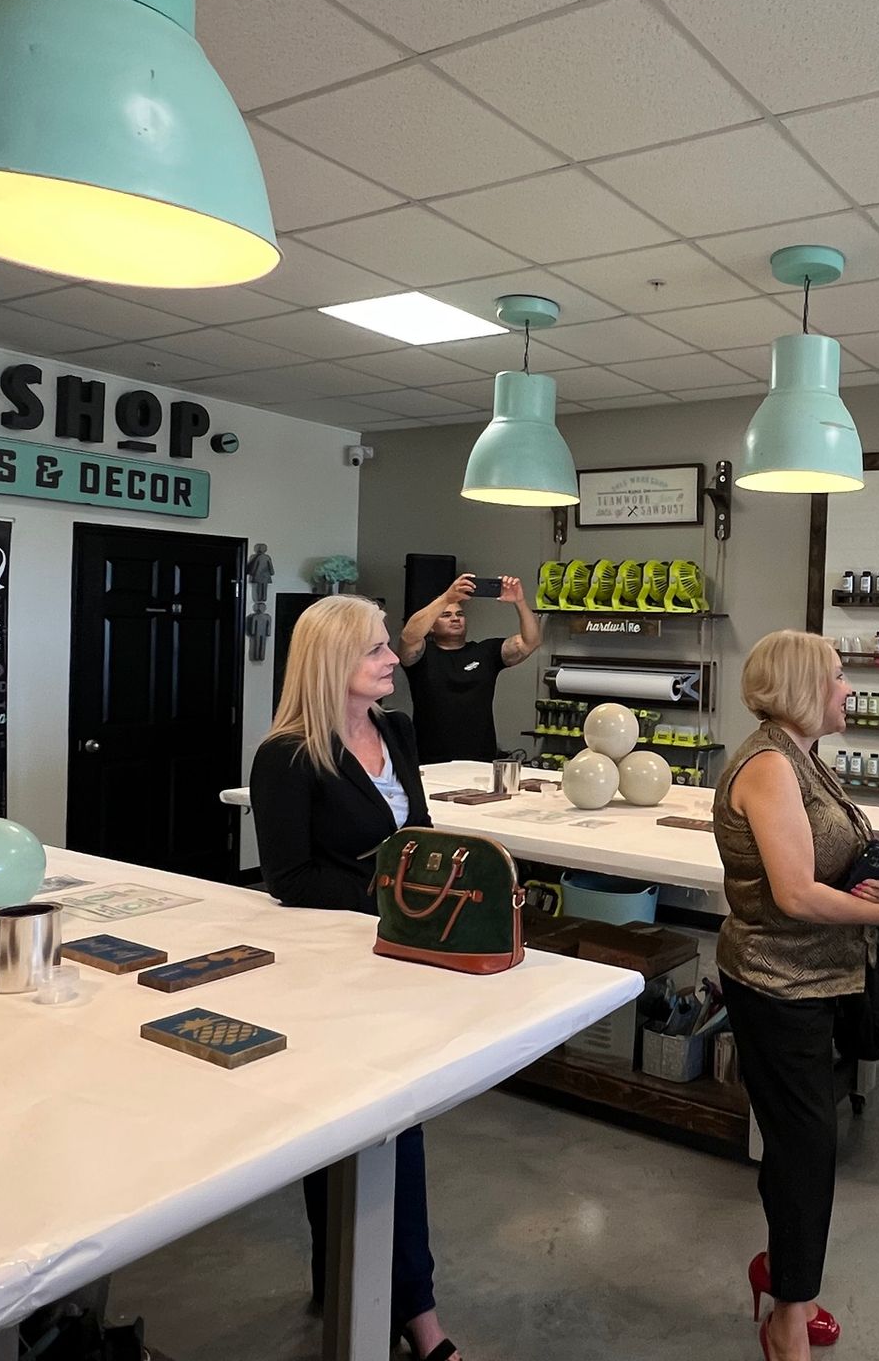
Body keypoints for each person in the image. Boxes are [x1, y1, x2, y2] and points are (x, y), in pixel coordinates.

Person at [249, 595, 461, 1361]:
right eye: (375, 650)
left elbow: (423, 837)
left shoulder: (396, 733)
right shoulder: (287, 755)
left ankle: (353, 1282)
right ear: (335, 663)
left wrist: (433, 896)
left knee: (393, 1124)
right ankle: (418, 1316)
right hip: (328, 974)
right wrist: (392, 896)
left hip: (401, 961)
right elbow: (288, 876)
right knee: (365, 1131)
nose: (390, 660)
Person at [715, 630, 879, 1361]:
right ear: (802, 686)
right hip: (776, 982)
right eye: (836, 675)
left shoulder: (800, 756)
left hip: (813, 978)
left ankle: (786, 1278)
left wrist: (872, 878)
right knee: (805, 1153)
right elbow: (795, 894)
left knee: (802, 1148)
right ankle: (787, 1316)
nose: (848, 687)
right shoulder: (768, 767)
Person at [400, 573, 540, 765]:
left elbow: (529, 642)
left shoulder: (486, 652)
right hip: (430, 758)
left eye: (460, 614)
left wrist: (520, 602)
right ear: (431, 627)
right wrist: (446, 598)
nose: (455, 619)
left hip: (480, 757)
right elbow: (409, 637)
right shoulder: (422, 655)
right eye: (446, 615)